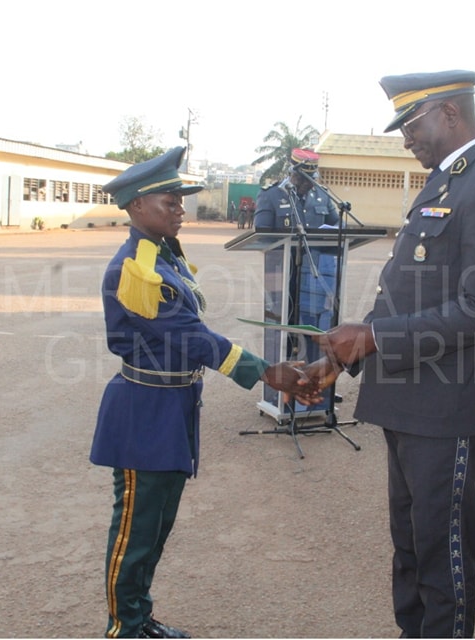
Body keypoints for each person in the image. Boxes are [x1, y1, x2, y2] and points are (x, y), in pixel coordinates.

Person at [306, 70, 475, 638]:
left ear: (450, 114)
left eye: (412, 121)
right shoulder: (446, 183)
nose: (406, 136)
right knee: (409, 542)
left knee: (439, 548)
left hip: (447, 406)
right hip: (407, 400)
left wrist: (374, 338)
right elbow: (404, 293)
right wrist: (337, 361)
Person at [89, 147, 319, 639]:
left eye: (180, 201)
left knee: (155, 531)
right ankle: (123, 628)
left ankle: (140, 618)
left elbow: (190, 333)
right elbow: (191, 338)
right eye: (169, 202)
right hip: (144, 414)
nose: (180, 210)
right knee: (134, 532)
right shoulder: (136, 267)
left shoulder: (162, 256)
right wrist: (265, 372)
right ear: (135, 208)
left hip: (171, 409)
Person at [253, 148, 342, 413]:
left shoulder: (322, 195)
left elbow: (336, 229)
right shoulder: (272, 195)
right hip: (280, 273)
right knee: (282, 331)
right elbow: (261, 232)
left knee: (314, 331)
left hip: (313, 276)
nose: (307, 183)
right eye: (303, 177)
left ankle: (315, 387)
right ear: (292, 172)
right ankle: (278, 392)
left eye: (311, 177)